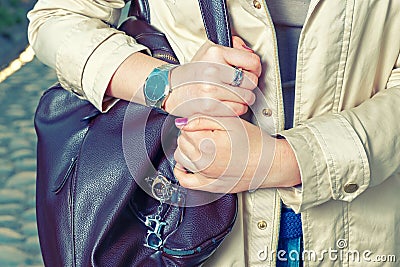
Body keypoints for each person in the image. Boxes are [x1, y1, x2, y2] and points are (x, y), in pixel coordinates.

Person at [28, 0, 400, 266]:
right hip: (188, 227)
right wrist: (165, 84)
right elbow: (59, 16)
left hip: (359, 227)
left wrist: (290, 160)